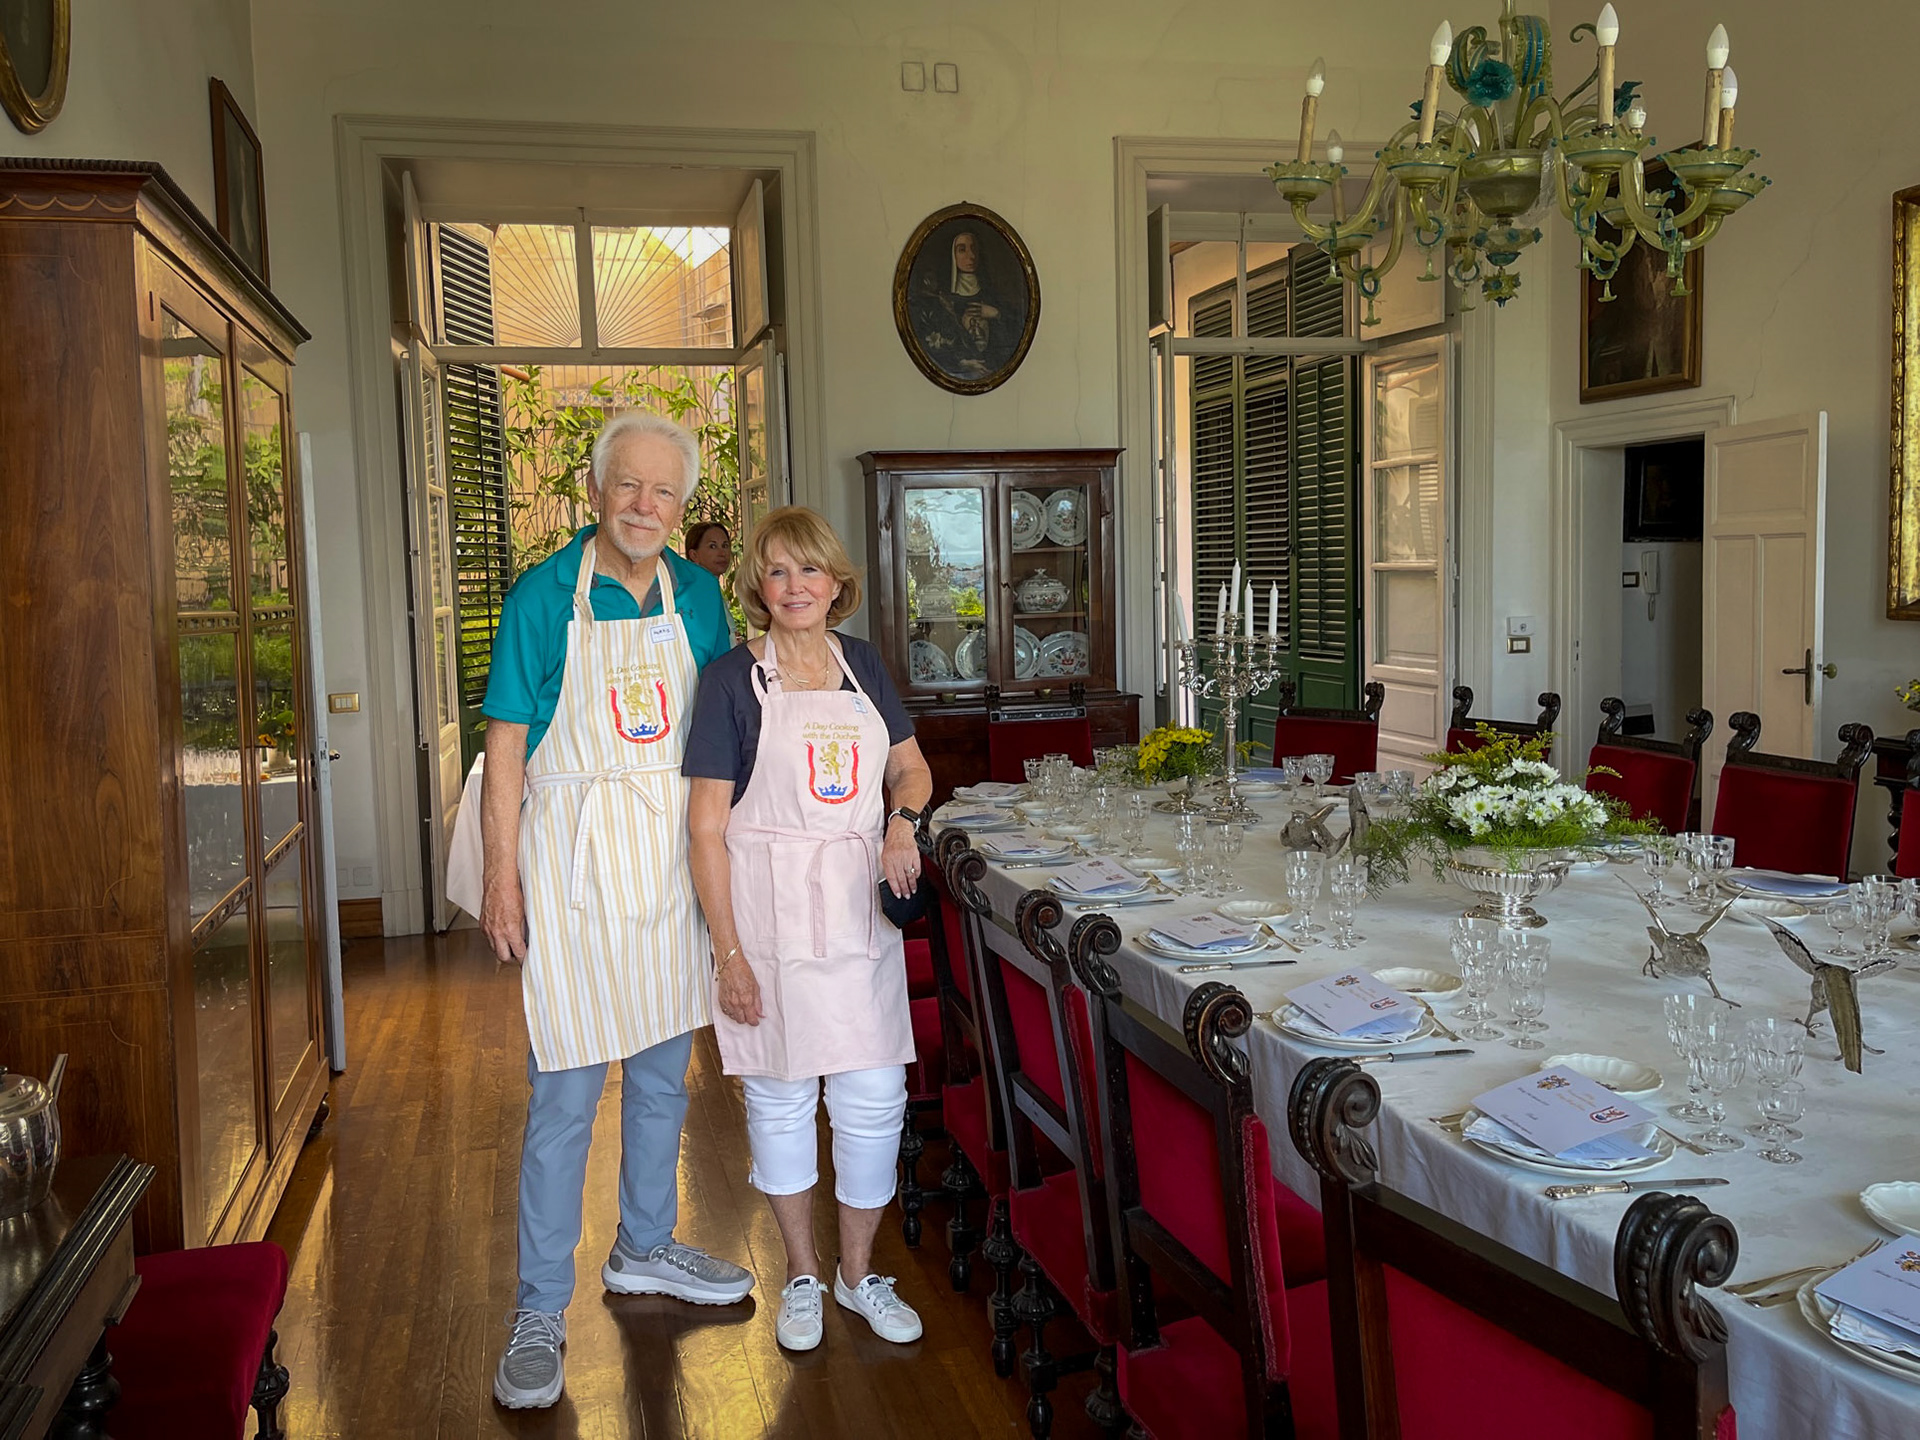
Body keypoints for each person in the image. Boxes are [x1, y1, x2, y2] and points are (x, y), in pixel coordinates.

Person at [479, 411, 752, 1411]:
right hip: (575, 866)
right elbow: (507, 745)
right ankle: (539, 1307)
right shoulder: (543, 596)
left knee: (661, 1080)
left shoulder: (703, 596)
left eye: (665, 492)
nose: (645, 506)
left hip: (671, 860)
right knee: (563, 1098)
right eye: (628, 487)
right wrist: (501, 874)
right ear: (596, 493)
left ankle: (644, 1247)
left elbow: (725, 734)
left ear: (683, 506)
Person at [683, 506, 933, 1354]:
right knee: (781, 1098)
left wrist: (901, 822)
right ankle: (800, 1273)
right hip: (769, 918)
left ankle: (856, 1276)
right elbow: (706, 828)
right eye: (779, 572)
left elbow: (910, 764)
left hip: (859, 912)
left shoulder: (862, 666)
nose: (796, 587)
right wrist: (729, 955)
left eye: (811, 571)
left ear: (837, 584)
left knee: (873, 1102)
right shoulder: (727, 682)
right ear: (758, 587)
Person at [909, 227, 1021, 380]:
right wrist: (961, 363)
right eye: (962, 250)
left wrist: (996, 314)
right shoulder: (938, 299)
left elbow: (1015, 334)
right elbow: (928, 347)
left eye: (974, 249)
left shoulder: (992, 296)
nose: (972, 256)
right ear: (952, 255)